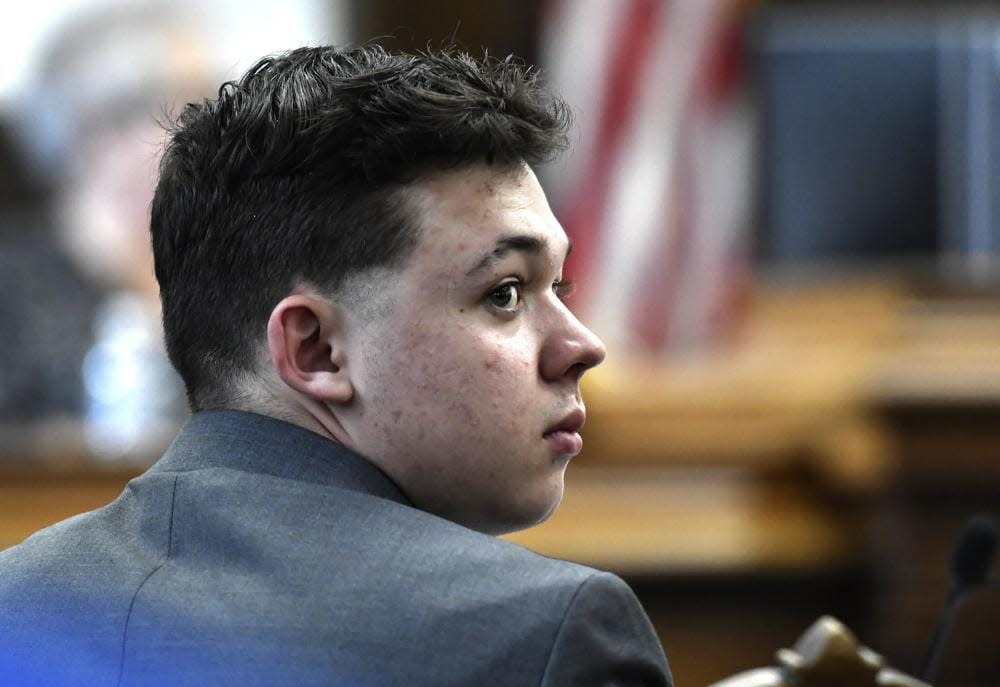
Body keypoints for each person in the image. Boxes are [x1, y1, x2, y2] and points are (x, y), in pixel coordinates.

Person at [0, 45, 673, 686]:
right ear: (315, 350)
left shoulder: (13, 604)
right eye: (504, 293)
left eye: (561, 288)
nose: (582, 346)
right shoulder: (543, 634)